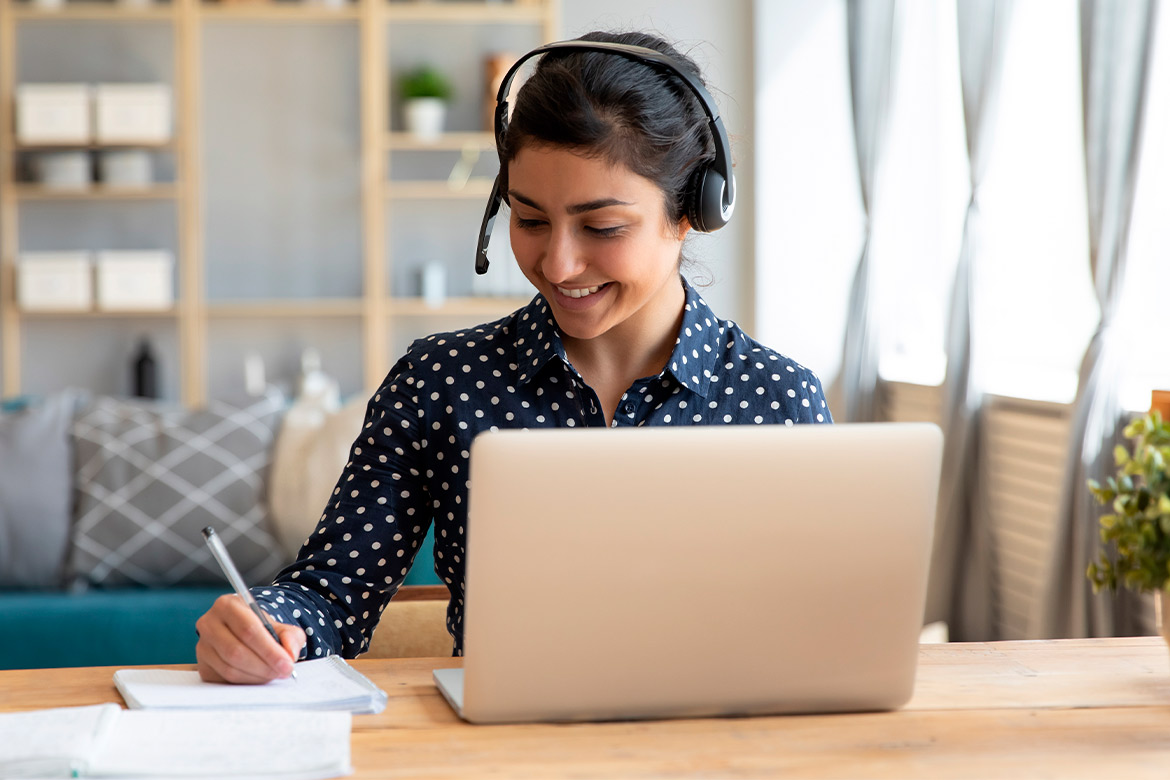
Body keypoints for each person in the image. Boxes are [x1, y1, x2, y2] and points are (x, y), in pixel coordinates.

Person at [195, 30, 833, 684]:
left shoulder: (778, 397)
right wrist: (264, 623)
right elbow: (331, 592)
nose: (557, 263)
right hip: (502, 745)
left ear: (693, 211)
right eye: (529, 220)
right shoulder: (438, 381)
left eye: (602, 227)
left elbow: (824, 623)